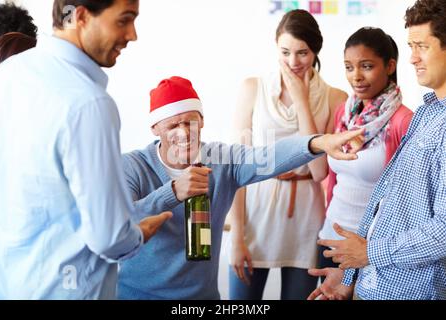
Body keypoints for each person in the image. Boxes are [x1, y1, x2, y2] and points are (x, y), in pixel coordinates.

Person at [117, 75, 364, 300]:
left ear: (201, 121)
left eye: (189, 121)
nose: (184, 132)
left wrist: (318, 143)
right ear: (154, 128)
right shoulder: (131, 166)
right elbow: (118, 224)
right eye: (172, 126)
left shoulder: (222, 159)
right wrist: (172, 192)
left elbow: (269, 156)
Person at [0, 0, 171, 299]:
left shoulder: (9, 73)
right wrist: (139, 233)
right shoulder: (89, 103)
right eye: (124, 20)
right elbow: (110, 238)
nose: (132, 34)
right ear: (81, 17)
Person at [308, 0, 446, 300]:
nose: (412, 58)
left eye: (421, 46)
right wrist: (351, 275)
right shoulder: (427, 115)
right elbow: (388, 208)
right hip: (374, 282)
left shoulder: (411, 119)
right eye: (410, 46)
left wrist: (369, 252)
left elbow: (443, 232)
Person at [228, 9, 347, 300]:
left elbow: (319, 172)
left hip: (305, 219)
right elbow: (235, 167)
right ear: (275, 46)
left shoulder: (335, 98)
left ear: (315, 51)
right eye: (285, 52)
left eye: (302, 53)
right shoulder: (252, 88)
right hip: (256, 215)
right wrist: (236, 236)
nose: (293, 62)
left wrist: (301, 101)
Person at [317, 27, 413, 274]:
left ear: (390, 66)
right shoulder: (344, 112)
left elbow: (408, 195)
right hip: (330, 237)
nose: (356, 76)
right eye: (349, 67)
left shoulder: (404, 121)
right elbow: (333, 176)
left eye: (367, 66)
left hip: (369, 248)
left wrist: (378, 248)